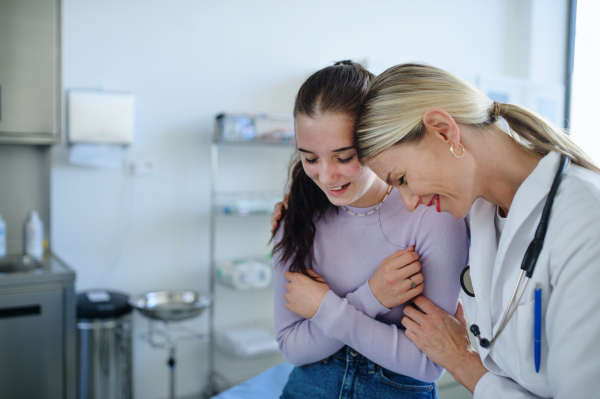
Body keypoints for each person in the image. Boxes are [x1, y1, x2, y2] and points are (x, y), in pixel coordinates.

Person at [353, 62, 600, 398]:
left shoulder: (586, 219)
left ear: (443, 130)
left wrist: (463, 364)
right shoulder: (479, 210)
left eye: (403, 180)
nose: (409, 203)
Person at [271, 60, 469, 399]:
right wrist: (371, 297)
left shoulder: (432, 214)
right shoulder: (295, 217)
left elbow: (428, 362)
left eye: (344, 157)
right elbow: (292, 346)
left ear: (376, 139)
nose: (326, 177)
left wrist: (324, 308)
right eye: (311, 158)